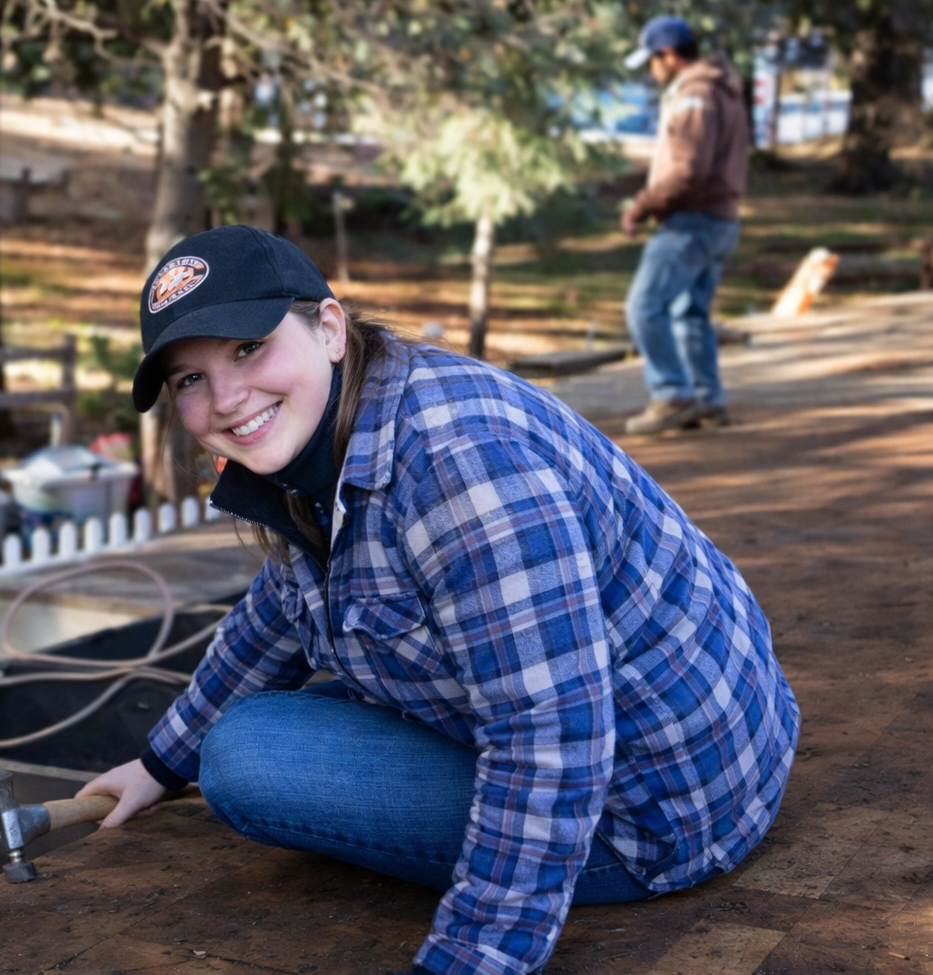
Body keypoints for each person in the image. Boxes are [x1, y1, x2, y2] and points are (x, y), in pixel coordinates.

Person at [78, 225, 798, 975]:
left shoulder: (461, 467)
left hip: (653, 813)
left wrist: (470, 960)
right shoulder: (341, 420)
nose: (225, 397)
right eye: (188, 379)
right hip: (704, 739)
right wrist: (159, 765)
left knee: (247, 754)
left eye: (247, 348)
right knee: (252, 719)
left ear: (328, 326)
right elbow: (279, 613)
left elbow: (548, 739)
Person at [620, 15, 750, 435]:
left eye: (651, 61)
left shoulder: (695, 96)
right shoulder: (722, 87)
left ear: (670, 55)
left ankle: (673, 393)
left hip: (692, 218)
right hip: (721, 217)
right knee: (689, 313)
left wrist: (641, 207)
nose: (650, 71)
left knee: (644, 306)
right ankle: (707, 398)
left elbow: (687, 170)